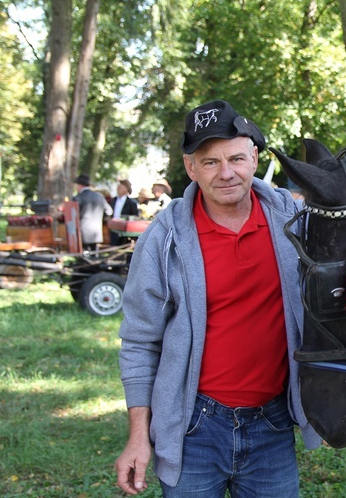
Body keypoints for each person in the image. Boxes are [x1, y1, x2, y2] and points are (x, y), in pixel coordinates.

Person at [114, 100, 321, 497]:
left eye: (236, 159)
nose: (226, 173)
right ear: (191, 168)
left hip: (273, 424)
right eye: (209, 162)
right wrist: (138, 437)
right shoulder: (164, 238)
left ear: (255, 158)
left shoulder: (293, 225)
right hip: (193, 426)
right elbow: (140, 341)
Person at [72, 173, 113, 251]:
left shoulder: (78, 198)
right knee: (94, 256)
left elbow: (73, 216)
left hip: (83, 233)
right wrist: (102, 220)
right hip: (96, 232)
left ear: (79, 185)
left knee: (84, 258)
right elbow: (109, 211)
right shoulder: (99, 196)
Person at [110, 179, 140, 246]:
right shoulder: (113, 200)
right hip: (113, 229)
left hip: (125, 231)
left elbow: (135, 218)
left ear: (126, 189)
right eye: (118, 187)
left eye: (120, 187)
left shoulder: (132, 203)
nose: (118, 189)